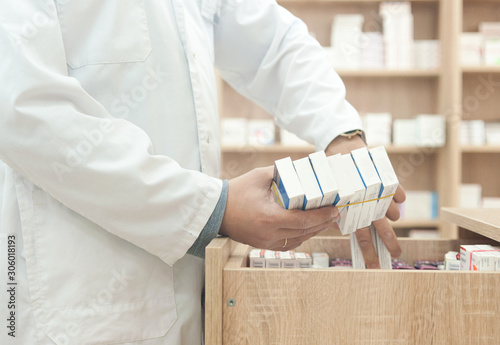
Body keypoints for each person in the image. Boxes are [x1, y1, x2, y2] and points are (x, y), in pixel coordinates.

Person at [0, 1, 405, 344]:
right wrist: (214, 209)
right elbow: (22, 108)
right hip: (78, 291)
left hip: (193, 284)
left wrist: (341, 134)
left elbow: (271, 43)